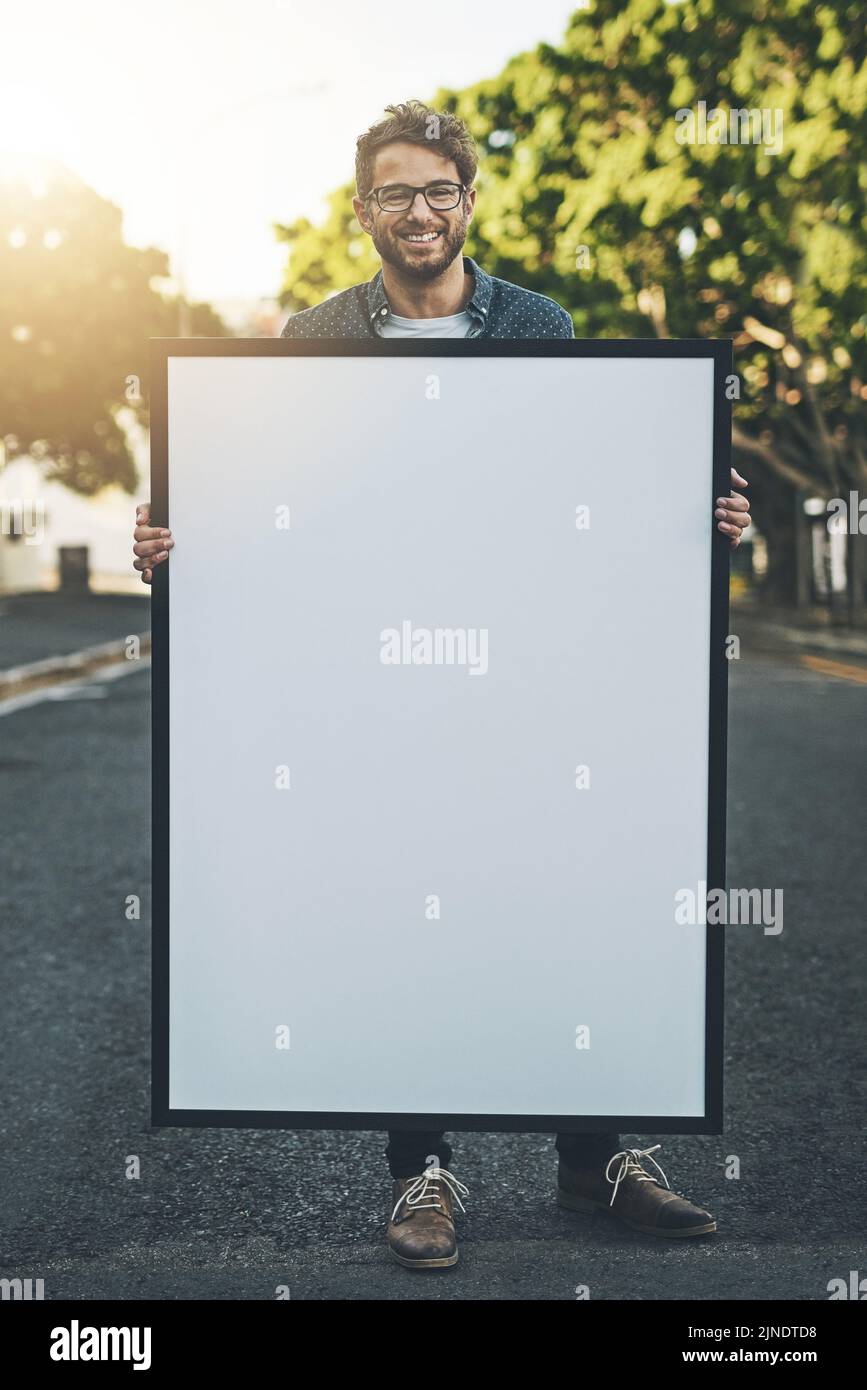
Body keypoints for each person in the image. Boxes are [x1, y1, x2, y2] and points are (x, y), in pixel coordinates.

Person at [134, 100, 751, 1271]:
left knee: (555, 882)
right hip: (377, 665)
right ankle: (423, 1169)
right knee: (404, 888)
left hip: (524, 658)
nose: (416, 212)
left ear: (468, 201)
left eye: (437, 191)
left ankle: (598, 1158)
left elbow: (586, 486)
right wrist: (178, 539)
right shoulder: (315, 334)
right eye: (392, 193)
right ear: (363, 210)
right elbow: (278, 500)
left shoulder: (538, 320)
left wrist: (697, 513)